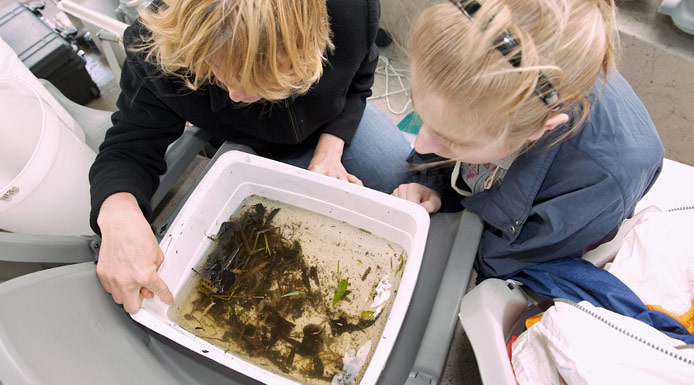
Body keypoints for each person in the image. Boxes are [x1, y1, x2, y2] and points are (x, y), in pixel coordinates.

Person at [90, 0, 413, 313]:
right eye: (218, 73)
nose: (236, 94)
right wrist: (117, 212)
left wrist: (330, 150)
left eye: (265, 78)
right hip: (246, 145)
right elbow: (128, 147)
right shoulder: (153, 48)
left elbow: (360, 73)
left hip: (328, 122)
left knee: (399, 175)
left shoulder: (352, 9)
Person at [392, 0, 665, 279]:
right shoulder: (493, 79)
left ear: (541, 127)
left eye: (455, 140)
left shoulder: (597, 184)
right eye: (422, 116)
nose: (421, 144)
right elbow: (442, 135)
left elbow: (503, 263)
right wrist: (430, 183)